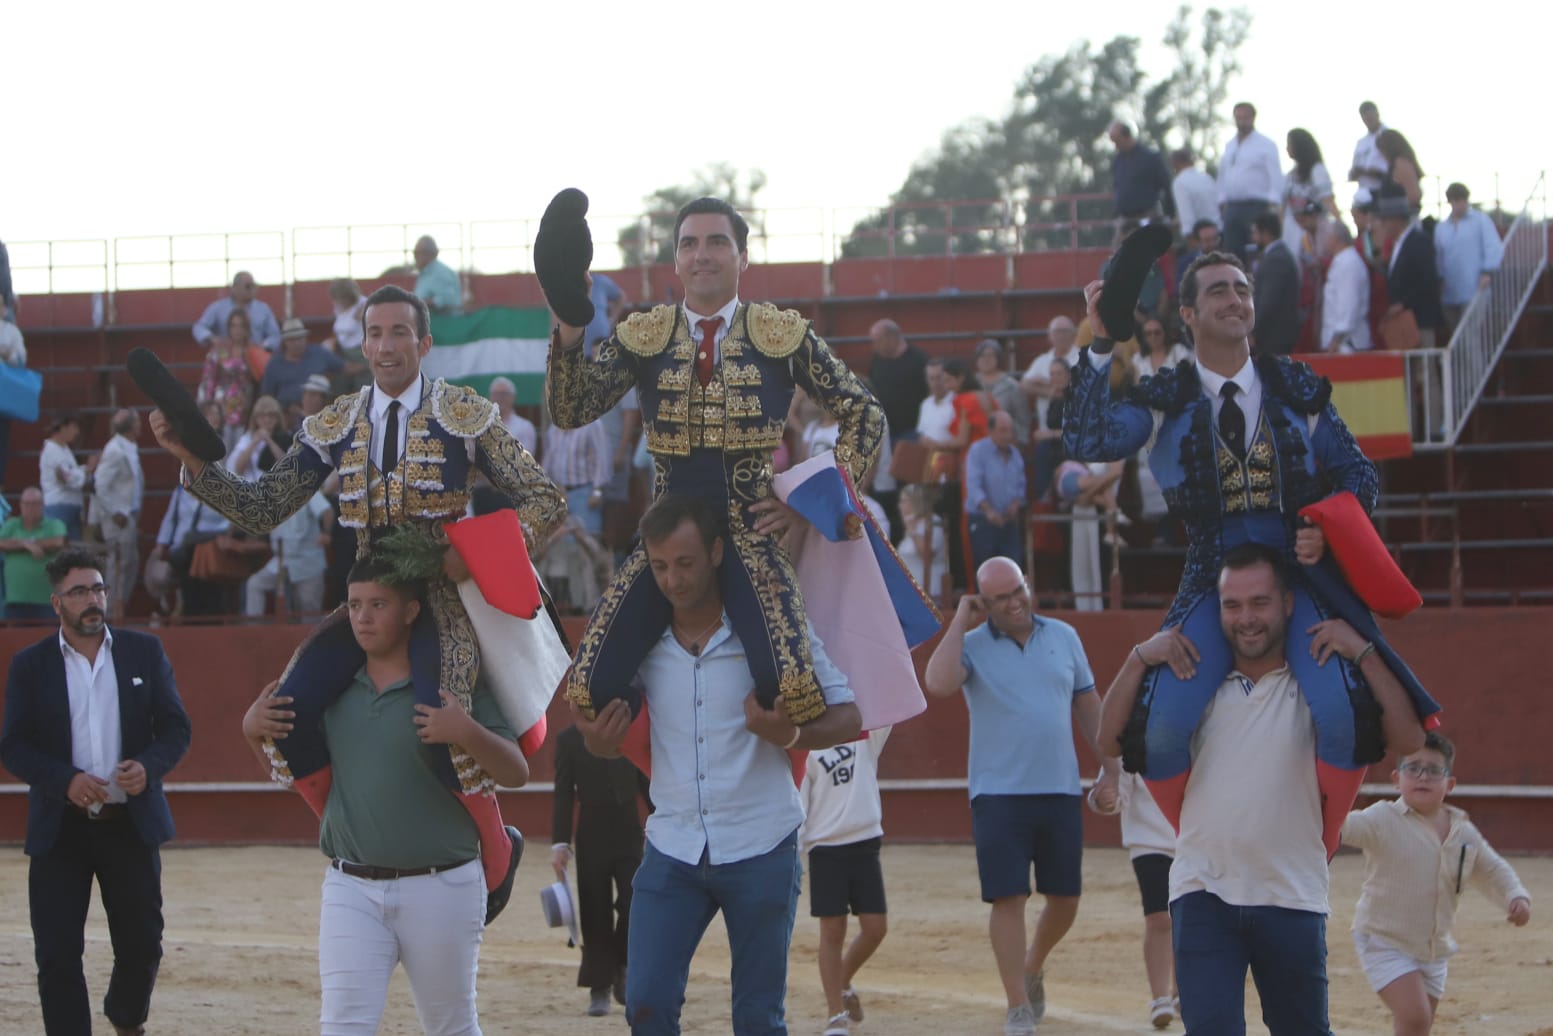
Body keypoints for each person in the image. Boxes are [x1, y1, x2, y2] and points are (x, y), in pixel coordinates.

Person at [152, 283, 564, 905]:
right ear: (363, 345)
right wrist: (194, 463)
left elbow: (544, 500)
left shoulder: (464, 414)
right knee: (286, 717)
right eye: (375, 333)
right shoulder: (335, 423)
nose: (386, 345)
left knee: (440, 727)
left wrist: (476, 555)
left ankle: (497, 851)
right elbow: (263, 508)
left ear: (424, 343)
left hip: (439, 600)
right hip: (368, 601)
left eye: (400, 332)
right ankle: (350, 833)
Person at [1065, 249, 1441, 849]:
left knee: (1342, 712)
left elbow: (1358, 475)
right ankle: (1203, 843)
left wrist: (1327, 526)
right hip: (1211, 580)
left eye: (1242, 288)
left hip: (1299, 574)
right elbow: (1088, 438)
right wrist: (1101, 342)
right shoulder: (1165, 398)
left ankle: (1317, 847)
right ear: (1188, 313)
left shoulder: (1294, 387)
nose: (1235, 299)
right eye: (1218, 290)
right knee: (1161, 728)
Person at [544, 195, 884, 728]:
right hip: (666, 538)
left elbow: (865, 413)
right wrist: (569, 326)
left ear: (743, 257)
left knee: (792, 689)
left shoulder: (783, 334)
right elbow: (571, 409)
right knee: (590, 689)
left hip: (752, 530)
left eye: (717, 242)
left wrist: (810, 504)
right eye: (689, 244)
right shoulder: (644, 335)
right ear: (676, 260)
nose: (702, 254)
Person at [1095, 543, 1424, 1034]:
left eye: (1259, 603)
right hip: (1202, 892)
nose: (1246, 618)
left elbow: (1410, 740)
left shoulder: (1318, 685)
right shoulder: (1193, 686)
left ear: (1288, 603)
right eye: (1232, 605)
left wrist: (1362, 649)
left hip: (1292, 894)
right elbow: (1107, 740)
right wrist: (1139, 657)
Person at [570, 493, 863, 1036]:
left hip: (762, 844)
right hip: (673, 845)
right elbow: (601, 733)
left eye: (685, 563)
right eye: (660, 566)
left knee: (757, 1019)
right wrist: (600, 745)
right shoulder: (640, 645)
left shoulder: (770, 633)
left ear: (716, 552)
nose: (673, 580)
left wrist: (792, 734)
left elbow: (849, 716)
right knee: (646, 1006)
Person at [241, 554, 527, 1035]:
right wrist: (253, 733)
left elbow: (516, 771)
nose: (363, 617)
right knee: (343, 1027)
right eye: (354, 605)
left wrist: (465, 730)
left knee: (451, 1027)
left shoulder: (451, 687)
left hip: (443, 885)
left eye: (379, 604)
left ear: (411, 611)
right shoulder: (330, 692)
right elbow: (291, 773)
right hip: (351, 885)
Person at [923, 556, 1119, 1036]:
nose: (1014, 604)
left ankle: (1032, 965)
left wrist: (1111, 768)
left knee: (1066, 898)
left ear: (1027, 584)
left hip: (1058, 787)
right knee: (1007, 897)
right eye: (1000, 598)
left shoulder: (1064, 636)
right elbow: (938, 683)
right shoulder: (971, 645)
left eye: (1017, 591)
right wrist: (958, 621)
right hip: (998, 793)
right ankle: (1017, 1004)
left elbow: (1089, 706)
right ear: (983, 603)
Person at [1, 547, 192, 1036]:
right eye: (80, 591)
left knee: (142, 943)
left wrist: (147, 767)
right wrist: (64, 779)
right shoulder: (30, 664)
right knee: (57, 952)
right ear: (56, 603)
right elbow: (13, 745)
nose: (93, 599)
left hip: (129, 823)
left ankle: (126, 1021)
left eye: (98, 588)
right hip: (60, 828)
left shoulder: (144, 651)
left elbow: (175, 728)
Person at [1341, 732, 1532, 1036]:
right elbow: (1344, 827)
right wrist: (1321, 811)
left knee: (1418, 1026)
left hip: (1434, 950)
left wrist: (1515, 895)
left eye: (1433, 770)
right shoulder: (1382, 819)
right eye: (1413, 768)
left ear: (1449, 784)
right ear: (1396, 779)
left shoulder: (1463, 830)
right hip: (1383, 941)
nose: (1423, 777)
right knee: (1415, 1017)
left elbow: (1492, 868)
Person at [800, 725, 892, 1036]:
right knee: (832, 931)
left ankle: (842, 982)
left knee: (876, 928)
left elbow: (889, 709)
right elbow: (801, 805)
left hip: (865, 842)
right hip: (825, 848)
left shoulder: (866, 735)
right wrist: (795, 855)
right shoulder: (807, 745)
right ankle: (835, 1014)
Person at [550, 724, 647, 1017]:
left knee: (635, 901)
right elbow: (563, 792)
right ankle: (600, 986)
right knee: (595, 908)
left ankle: (622, 964)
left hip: (628, 827)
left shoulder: (630, 730)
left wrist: (668, 819)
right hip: (591, 830)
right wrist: (560, 843)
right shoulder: (569, 739)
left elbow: (647, 780)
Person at [1087, 770, 1177, 1029]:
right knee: (1160, 918)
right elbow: (1112, 784)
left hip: (1194, 841)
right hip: (1149, 841)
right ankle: (1160, 996)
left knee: (1191, 917)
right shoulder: (1131, 744)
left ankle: (1182, 992)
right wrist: (1105, 799)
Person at [90, 410, 145, 623]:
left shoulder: (128, 447)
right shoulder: (115, 450)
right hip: (119, 517)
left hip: (128, 515)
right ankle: (111, 613)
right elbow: (100, 485)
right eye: (137, 422)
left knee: (128, 563)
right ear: (131, 426)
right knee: (120, 565)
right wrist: (115, 512)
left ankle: (116, 610)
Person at [243, 489, 332, 617]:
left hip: (308, 561)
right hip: (281, 560)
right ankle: (254, 627)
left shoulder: (306, 489)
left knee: (309, 610)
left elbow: (327, 511)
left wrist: (326, 533)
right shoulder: (268, 494)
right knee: (255, 584)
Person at [1375, 190, 1444, 350]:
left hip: (1419, 321)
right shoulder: (1399, 244)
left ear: (1397, 219)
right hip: (1403, 323)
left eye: (1385, 219)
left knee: (1423, 363)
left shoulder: (1419, 242)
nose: (1383, 224)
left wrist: (1404, 304)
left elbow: (1428, 280)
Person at [1434, 182, 1505, 338]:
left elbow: (1493, 247)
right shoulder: (1441, 228)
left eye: (1461, 200)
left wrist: (1487, 271)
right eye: (1455, 201)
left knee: (1470, 336)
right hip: (1450, 291)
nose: (1459, 205)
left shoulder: (1481, 221)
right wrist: (1440, 279)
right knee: (1456, 337)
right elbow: (1439, 256)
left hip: (1474, 288)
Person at [1216, 102, 1283, 261]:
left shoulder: (1265, 145)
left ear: (1252, 118)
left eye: (1245, 117)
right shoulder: (1230, 145)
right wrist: (1221, 200)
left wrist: (1273, 205)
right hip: (1232, 207)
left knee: (1255, 249)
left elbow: (1275, 176)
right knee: (1232, 251)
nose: (1241, 121)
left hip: (1257, 206)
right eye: (1238, 117)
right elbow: (1223, 175)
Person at [964, 411, 1025, 570]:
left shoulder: (1015, 454)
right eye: (1003, 431)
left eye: (1010, 431)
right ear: (990, 431)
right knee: (987, 571)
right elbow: (973, 486)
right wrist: (989, 511)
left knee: (1012, 571)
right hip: (983, 520)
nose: (1008, 436)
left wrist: (1016, 503)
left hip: (1008, 522)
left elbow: (1021, 485)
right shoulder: (977, 451)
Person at [0, 487, 67, 620]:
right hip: (15, 601)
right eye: (27, 504)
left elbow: (57, 542)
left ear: (42, 505)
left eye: (35, 504)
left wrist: (26, 542)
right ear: (21, 505)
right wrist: (25, 544)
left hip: (46, 601)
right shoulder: (12, 525)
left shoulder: (53, 524)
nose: (30, 508)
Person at [196, 308, 258, 451]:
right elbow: (209, 380)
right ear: (229, 328)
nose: (237, 330)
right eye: (234, 325)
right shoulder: (220, 350)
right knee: (220, 450)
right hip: (221, 409)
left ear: (247, 329)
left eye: (241, 326)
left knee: (241, 452)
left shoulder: (253, 351)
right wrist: (207, 408)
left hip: (246, 409)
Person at [260, 318, 344, 407]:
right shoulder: (274, 364)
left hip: (320, 409)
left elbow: (345, 367)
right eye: (292, 339)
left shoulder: (319, 353)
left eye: (300, 338)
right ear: (284, 341)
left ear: (305, 338)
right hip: (287, 410)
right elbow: (267, 395)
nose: (297, 343)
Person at [192, 270, 281, 351]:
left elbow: (275, 335)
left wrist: (264, 345)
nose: (252, 290)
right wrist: (212, 338)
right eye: (248, 286)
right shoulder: (218, 308)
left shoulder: (263, 309)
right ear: (235, 287)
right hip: (226, 357)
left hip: (255, 357)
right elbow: (199, 327)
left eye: (254, 286)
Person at [1250, 212, 1300, 356]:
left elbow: (1268, 300)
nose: (1253, 238)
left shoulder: (1276, 259)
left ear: (1265, 234)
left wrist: (1255, 331)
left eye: (1255, 233)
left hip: (1274, 337)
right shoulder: (1277, 255)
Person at [39, 414, 95, 542]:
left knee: (74, 548)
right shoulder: (52, 449)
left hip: (71, 506)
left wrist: (85, 469)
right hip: (58, 506)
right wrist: (86, 471)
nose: (77, 432)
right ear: (63, 427)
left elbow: (70, 473)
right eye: (74, 427)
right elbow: (66, 478)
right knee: (57, 546)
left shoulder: (63, 449)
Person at [1280, 129, 1337, 251]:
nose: (1287, 148)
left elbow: (1328, 200)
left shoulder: (1317, 170)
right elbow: (1283, 208)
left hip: (1313, 229)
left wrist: (1339, 226)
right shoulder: (1289, 176)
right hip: (1291, 231)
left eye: (1289, 144)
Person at [1321, 221, 1374, 353]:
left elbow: (1349, 305)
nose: (1323, 241)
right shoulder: (1342, 261)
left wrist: (1336, 339)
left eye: (1325, 236)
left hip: (1347, 345)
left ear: (1334, 238)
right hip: (1342, 344)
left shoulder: (1348, 263)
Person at [1109, 121, 1175, 222]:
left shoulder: (1150, 158)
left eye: (1117, 142)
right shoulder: (1118, 161)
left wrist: (1170, 214)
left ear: (1127, 136)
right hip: (1125, 218)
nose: (1116, 146)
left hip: (1147, 215)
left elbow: (1166, 185)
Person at [975, 338, 1030, 446]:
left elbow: (1023, 418)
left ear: (998, 358)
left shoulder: (1011, 386)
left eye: (991, 355)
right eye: (982, 355)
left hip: (1005, 443)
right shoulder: (969, 385)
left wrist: (1019, 442)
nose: (986, 359)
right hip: (975, 442)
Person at [228, 396, 290, 483]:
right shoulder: (247, 438)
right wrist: (254, 442)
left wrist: (269, 441)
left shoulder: (285, 437)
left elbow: (287, 465)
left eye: (271, 415)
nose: (267, 419)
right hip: (251, 485)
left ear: (277, 417)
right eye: (262, 415)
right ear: (255, 418)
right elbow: (238, 468)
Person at [1170, 148, 1219, 240]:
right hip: (1217, 232)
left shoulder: (1180, 182)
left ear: (1175, 164)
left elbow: (1187, 216)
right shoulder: (1206, 178)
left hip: (1201, 237)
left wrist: (1189, 237)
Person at [488, 375, 539, 456]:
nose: (499, 398)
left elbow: (525, 457)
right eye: (496, 394)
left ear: (513, 397)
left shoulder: (525, 427)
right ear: (490, 397)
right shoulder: (484, 426)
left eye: (504, 394)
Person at [1376, 130, 1424, 212]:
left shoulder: (1401, 164)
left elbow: (1414, 196)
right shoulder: (1394, 165)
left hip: (1401, 216)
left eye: (1381, 150)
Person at [413, 235, 462, 316]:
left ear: (432, 253)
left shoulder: (441, 273)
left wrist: (424, 303)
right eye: (415, 253)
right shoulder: (424, 273)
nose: (415, 257)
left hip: (443, 320)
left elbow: (449, 299)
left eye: (419, 253)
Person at [1349, 101, 1389, 193]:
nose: (1367, 118)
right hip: (1364, 192)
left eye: (1370, 115)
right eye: (1364, 116)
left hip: (1385, 191)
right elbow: (1354, 171)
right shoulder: (1361, 142)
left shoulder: (1389, 136)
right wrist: (1354, 173)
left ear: (1377, 114)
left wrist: (1369, 172)